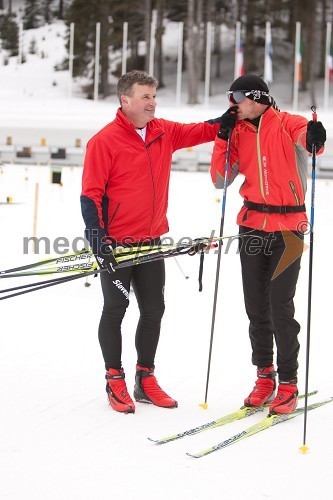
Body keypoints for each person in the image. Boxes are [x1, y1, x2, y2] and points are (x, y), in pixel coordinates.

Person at [81, 70, 219, 414]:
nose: (152, 103)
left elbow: (201, 130)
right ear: (125, 100)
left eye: (154, 96)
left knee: (154, 310)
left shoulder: (162, 131)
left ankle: (146, 379)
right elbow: (90, 196)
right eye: (145, 97)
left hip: (152, 241)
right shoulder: (104, 141)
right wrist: (98, 241)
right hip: (117, 244)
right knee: (116, 309)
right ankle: (115, 380)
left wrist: (233, 114)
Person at [210, 74, 326, 414]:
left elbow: (311, 142)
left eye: (238, 98)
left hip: (289, 228)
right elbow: (220, 180)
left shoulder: (289, 123)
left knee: (280, 304)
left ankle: (289, 382)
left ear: (257, 98)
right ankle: (265, 374)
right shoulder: (238, 131)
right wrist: (222, 138)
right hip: (252, 227)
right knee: (255, 306)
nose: (233, 105)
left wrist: (316, 137)